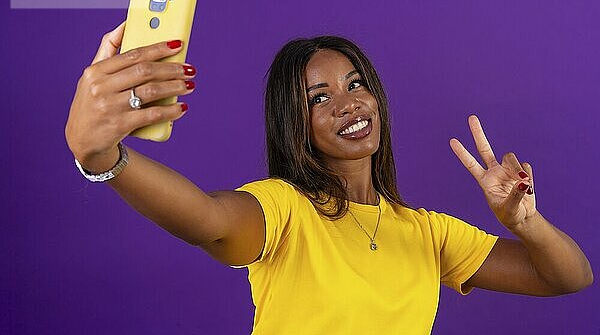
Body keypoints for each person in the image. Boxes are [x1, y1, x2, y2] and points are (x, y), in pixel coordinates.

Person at [65, 21, 593, 334]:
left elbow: (568, 278)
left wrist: (526, 222)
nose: (348, 104)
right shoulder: (284, 210)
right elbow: (207, 219)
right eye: (319, 99)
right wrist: (102, 159)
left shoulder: (428, 233)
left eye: (355, 83)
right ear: (298, 126)